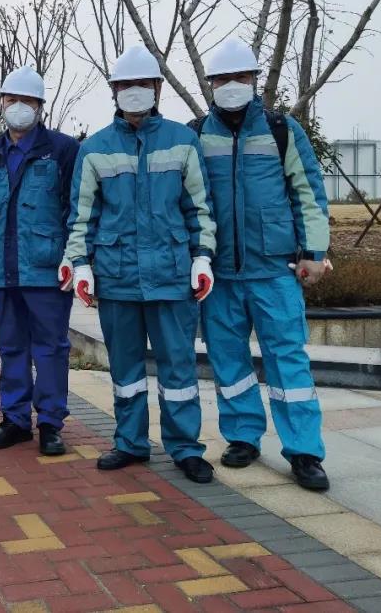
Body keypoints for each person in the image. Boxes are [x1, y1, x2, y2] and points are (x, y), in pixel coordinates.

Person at [65, 45, 218, 484]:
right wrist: (80, 264)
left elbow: (199, 208)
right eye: (125, 85)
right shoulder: (94, 148)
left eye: (142, 84)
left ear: (157, 88)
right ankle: (130, 442)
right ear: (114, 90)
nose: (134, 91)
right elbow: (82, 216)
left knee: (178, 369)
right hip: (117, 278)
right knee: (125, 370)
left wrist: (202, 257)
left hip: (172, 276)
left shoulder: (183, 141)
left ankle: (185, 448)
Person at [194, 38, 332, 490]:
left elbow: (308, 192)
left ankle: (304, 451)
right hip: (219, 272)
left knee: (288, 360)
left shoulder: (281, 130)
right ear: (210, 84)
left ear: (254, 80)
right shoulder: (198, 134)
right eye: (222, 78)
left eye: (240, 77)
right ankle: (242, 436)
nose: (231, 85)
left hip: (274, 269)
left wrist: (314, 253)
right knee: (227, 359)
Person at [0, 65, 79, 456]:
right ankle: (14, 420)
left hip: (46, 268)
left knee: (50, 348)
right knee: (11, 346)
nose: (19, 106)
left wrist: (74, 255)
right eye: (12, 99)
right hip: (1, 267)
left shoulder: (62, 149)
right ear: (1, 103)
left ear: (40, 105)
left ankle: (50, 423)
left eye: (27, 100)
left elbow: (75, 207)